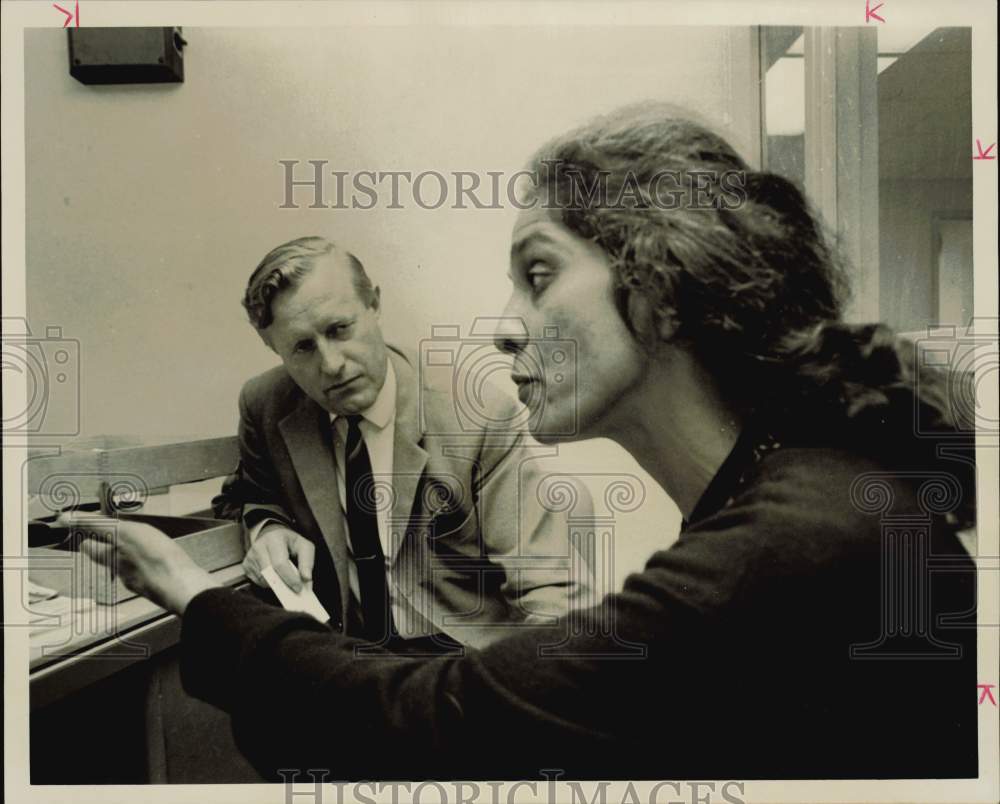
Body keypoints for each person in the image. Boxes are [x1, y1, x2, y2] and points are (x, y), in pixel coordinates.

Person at [69, 104, 978, 781]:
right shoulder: (810, 491)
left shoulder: (790, 543)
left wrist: (191, 593)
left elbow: (445, 706)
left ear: (662, 284)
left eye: (538, 275)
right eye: (299, 348)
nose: (505, 329)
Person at [209, 236, 594, 650]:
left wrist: (537, 683)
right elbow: (245, 497)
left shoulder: (477, 415)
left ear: (374, 304)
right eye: (303, 347)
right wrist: (267, 527)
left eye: (339, 329)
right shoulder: (266, 404)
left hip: (456, 653)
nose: (332, 365)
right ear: (273, 348)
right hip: (342, 650)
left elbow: (548, 585)